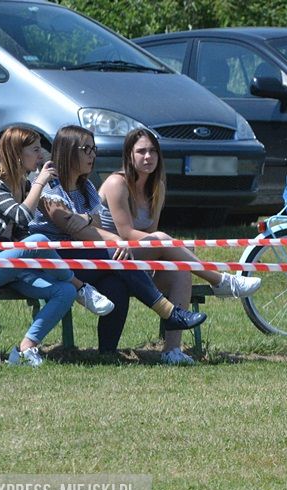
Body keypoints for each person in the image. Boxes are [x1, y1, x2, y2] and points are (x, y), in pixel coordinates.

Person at [30, 126, 207, 364]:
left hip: (83, 258)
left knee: (116, 283)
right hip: (54, 262)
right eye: (86, 149)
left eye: (94, 149)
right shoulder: (49, 186)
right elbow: (70, 225)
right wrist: (112, 240)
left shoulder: (87, 188)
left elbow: (87, 223)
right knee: (119, 259)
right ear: (69, 151)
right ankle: (169, 311)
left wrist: (95, 230)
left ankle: (107, 352)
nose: (93, 155)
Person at [96, 129, 261, 357]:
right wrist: (169, 244)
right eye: (141, 151)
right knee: (165, 240)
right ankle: (221, 281)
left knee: (181, 271)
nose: (148, 157)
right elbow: (126, 233)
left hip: (136, 259)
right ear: (129, 155)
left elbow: (149, 234)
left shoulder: (157, 188)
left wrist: (174, 250)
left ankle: (172, 350)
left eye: (153, 151)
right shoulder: (117, 182)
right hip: (110, 256)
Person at [0, 126, 114, 366]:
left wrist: (36, 184)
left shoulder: (24, 185)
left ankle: (25, 349)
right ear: (17, 155)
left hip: (11, 264)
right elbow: (22, 216)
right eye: (35, 149)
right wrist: (40, 182)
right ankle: (82, 289)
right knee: (40, 242)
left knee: (62, 291)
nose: (41, 155)